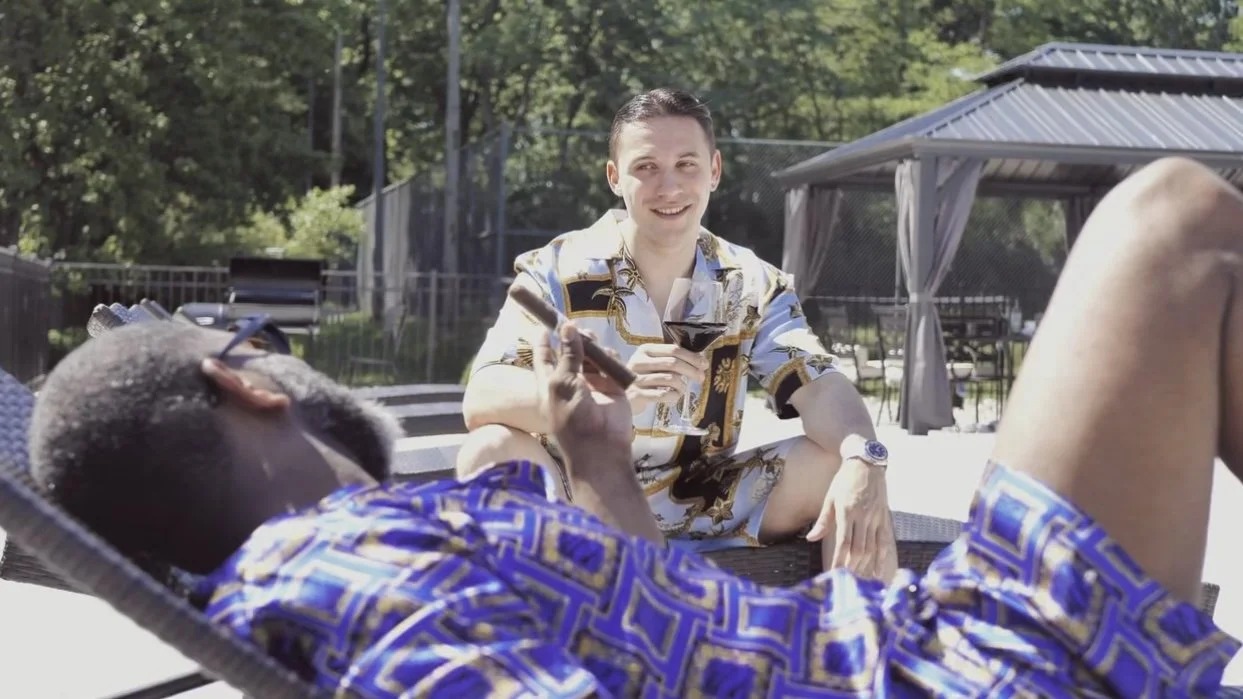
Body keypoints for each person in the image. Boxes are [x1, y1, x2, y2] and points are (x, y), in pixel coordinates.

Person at [25, 156, 1243, 696]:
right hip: (958, 674)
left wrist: (599, 456)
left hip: (899, 636)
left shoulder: (380, 534)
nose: (669, 185)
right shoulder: (339, 571)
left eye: (688, 167)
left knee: (1177, 230)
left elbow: (645, 623)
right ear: (248, 385)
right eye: (254, 343)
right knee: (1170, 225)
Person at [459, 87, 896, 580]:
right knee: (490, 449)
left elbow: (817, 382)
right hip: (578, 488)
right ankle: (535, 622)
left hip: (704, 495)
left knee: (845, 464)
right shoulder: (556, 270)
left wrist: (865, 456)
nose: (668, 187)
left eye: (686, 164)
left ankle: (864, 625)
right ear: (614, 177)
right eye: (646, 167)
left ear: (714, 170)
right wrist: (600, 402)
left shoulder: (750, 281)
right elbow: (484, 394)